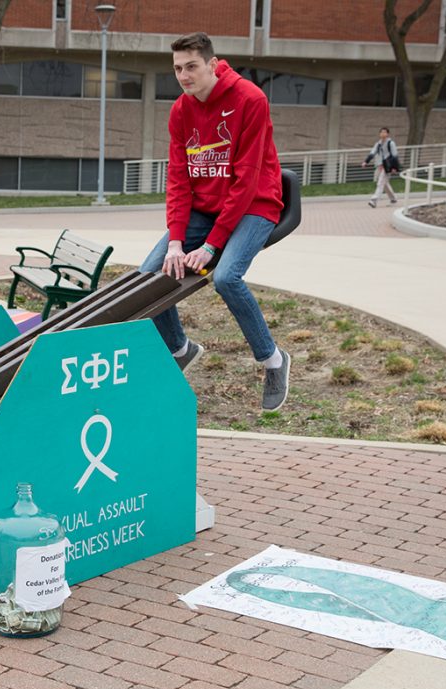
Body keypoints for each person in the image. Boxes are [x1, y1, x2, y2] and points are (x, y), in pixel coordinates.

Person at [139, 31, 291, 411]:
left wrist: (212, 245)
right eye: (177, 69)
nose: (184, 75)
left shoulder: (250, 100)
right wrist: (176, 240)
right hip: (204, 210)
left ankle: (273, 360)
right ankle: (180, 348)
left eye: (191, 66)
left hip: (255, 203)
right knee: (149, 275)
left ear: (212, 64)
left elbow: (247, 177)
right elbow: (178, 180)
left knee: (225, 277)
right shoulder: (180, 110)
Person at [362, 127, 399, 208]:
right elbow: (372, 153)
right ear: (379, 134)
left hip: (388, 166)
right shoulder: (378, 144)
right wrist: (366, 161)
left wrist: (394, 167)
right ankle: (393, 199)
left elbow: (395, 155)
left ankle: (374, 200)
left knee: (380, 183)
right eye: (381, 132)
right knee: (384, 183)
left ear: (388, 134)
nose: (383, 134)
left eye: (385, 132)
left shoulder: (391, 143)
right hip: (379, 166)